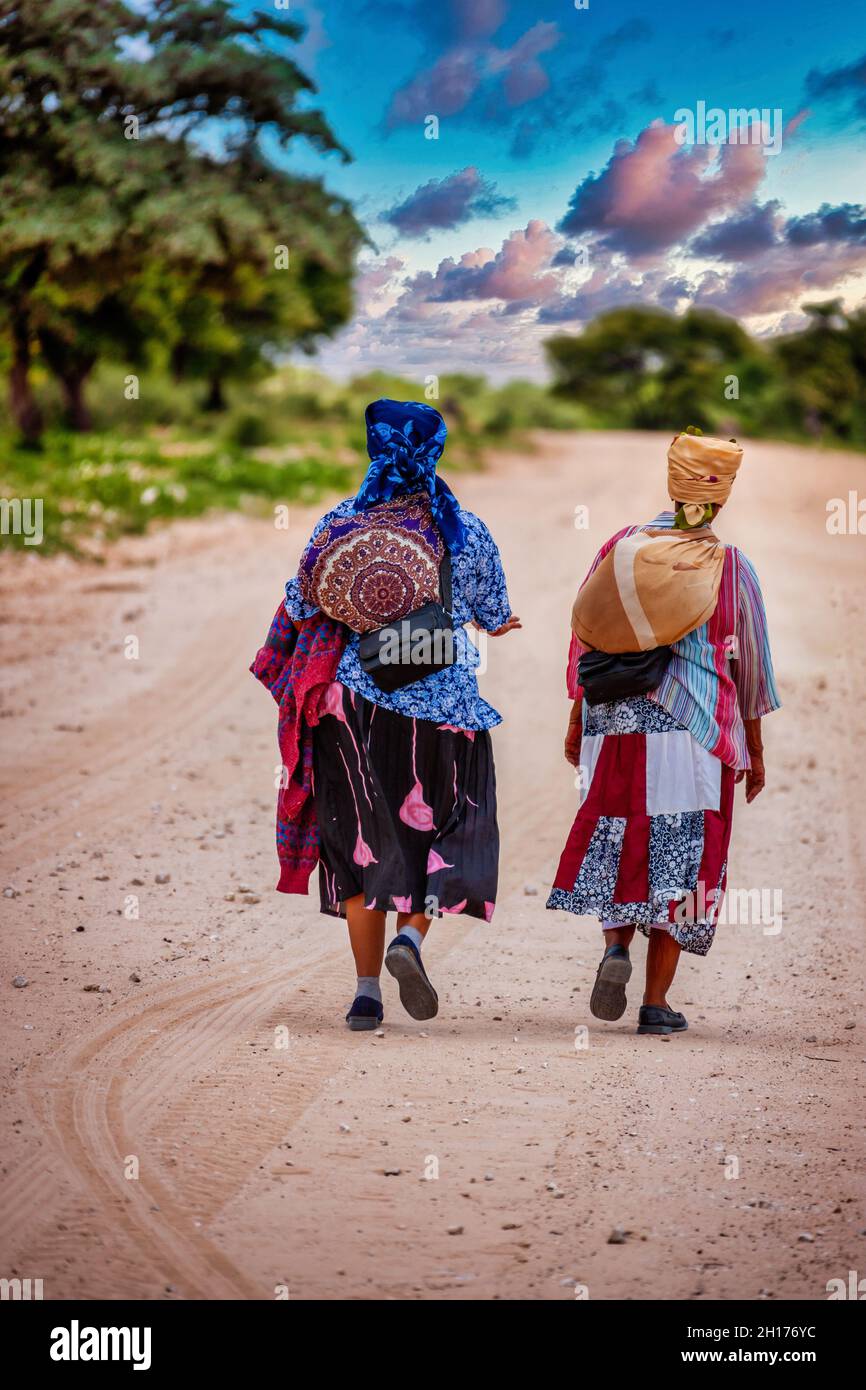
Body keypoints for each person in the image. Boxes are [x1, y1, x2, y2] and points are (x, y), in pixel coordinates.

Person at [283, 399, 520, 1031]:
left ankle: (365, 994)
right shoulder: (462, 528)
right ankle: (410, 941)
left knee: (363, 846)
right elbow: (492, 610)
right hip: (444, 707)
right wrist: (489, 620)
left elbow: (301, 600)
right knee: (448, 834)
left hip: (350, 707)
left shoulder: (341, 522)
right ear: (434, 451)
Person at [546, 430, 780, 1034]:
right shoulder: (730, 567)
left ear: (671, 483)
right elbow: (750, 666)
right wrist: (753, 750)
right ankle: (655, 1003)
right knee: (683, 860)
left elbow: (586, 638)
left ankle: (615, 948)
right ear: (720, 498)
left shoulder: (620, 548)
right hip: (692, 730)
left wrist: (577, 720)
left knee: (619, 834)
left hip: (613, 722)